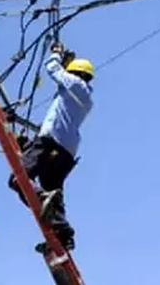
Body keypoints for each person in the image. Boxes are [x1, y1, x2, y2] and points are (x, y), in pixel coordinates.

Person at [8, 42, 94, 252]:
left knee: (19, 179)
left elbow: (52, 69)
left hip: (51, 142)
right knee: (52, 191)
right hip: (65, 153)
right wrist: (28, 144)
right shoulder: (84, 97)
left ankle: (43, 198)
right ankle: (64, 235)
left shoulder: (75, 84)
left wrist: (56, 54)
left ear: (74, 73)